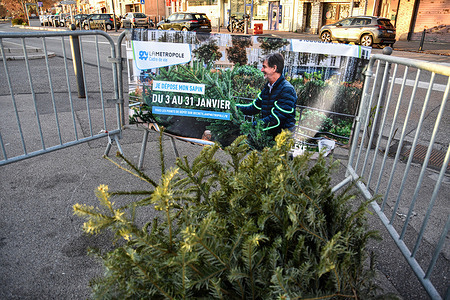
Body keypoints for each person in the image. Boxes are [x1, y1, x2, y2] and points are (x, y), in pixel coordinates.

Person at [236, 52, 297, 138]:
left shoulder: (287, 90)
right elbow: (254, 108)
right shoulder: (267, 88)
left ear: (274, 68)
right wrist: (233, 107)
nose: (262, 70)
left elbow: (276, 119)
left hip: (282, 141)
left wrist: (252, 126)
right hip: (268, 137)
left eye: (264, 67)